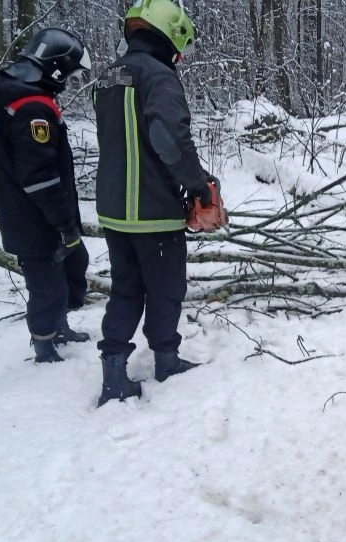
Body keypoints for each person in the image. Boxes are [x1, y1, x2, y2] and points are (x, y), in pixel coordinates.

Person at [93, 0, 218, 406]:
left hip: (114, 209)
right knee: (165, 289)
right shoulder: (160, 76)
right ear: (172, 33)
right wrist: (199, 187)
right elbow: (169, 140)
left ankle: (113, 371)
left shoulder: (111, 74)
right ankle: (166, 359)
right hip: (153, 211)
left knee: (126, 290)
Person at [0, 28, 93, 363]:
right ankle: (44, 345)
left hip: (25, 209)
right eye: (69, 74)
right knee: (46, 285)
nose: (69, 80)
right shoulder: (31, 108)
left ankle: (60, 328)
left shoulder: (11, 94)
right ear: (56, 67)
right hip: (35, 216)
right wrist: (63, 223)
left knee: (70, 268)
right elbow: (39, 176)